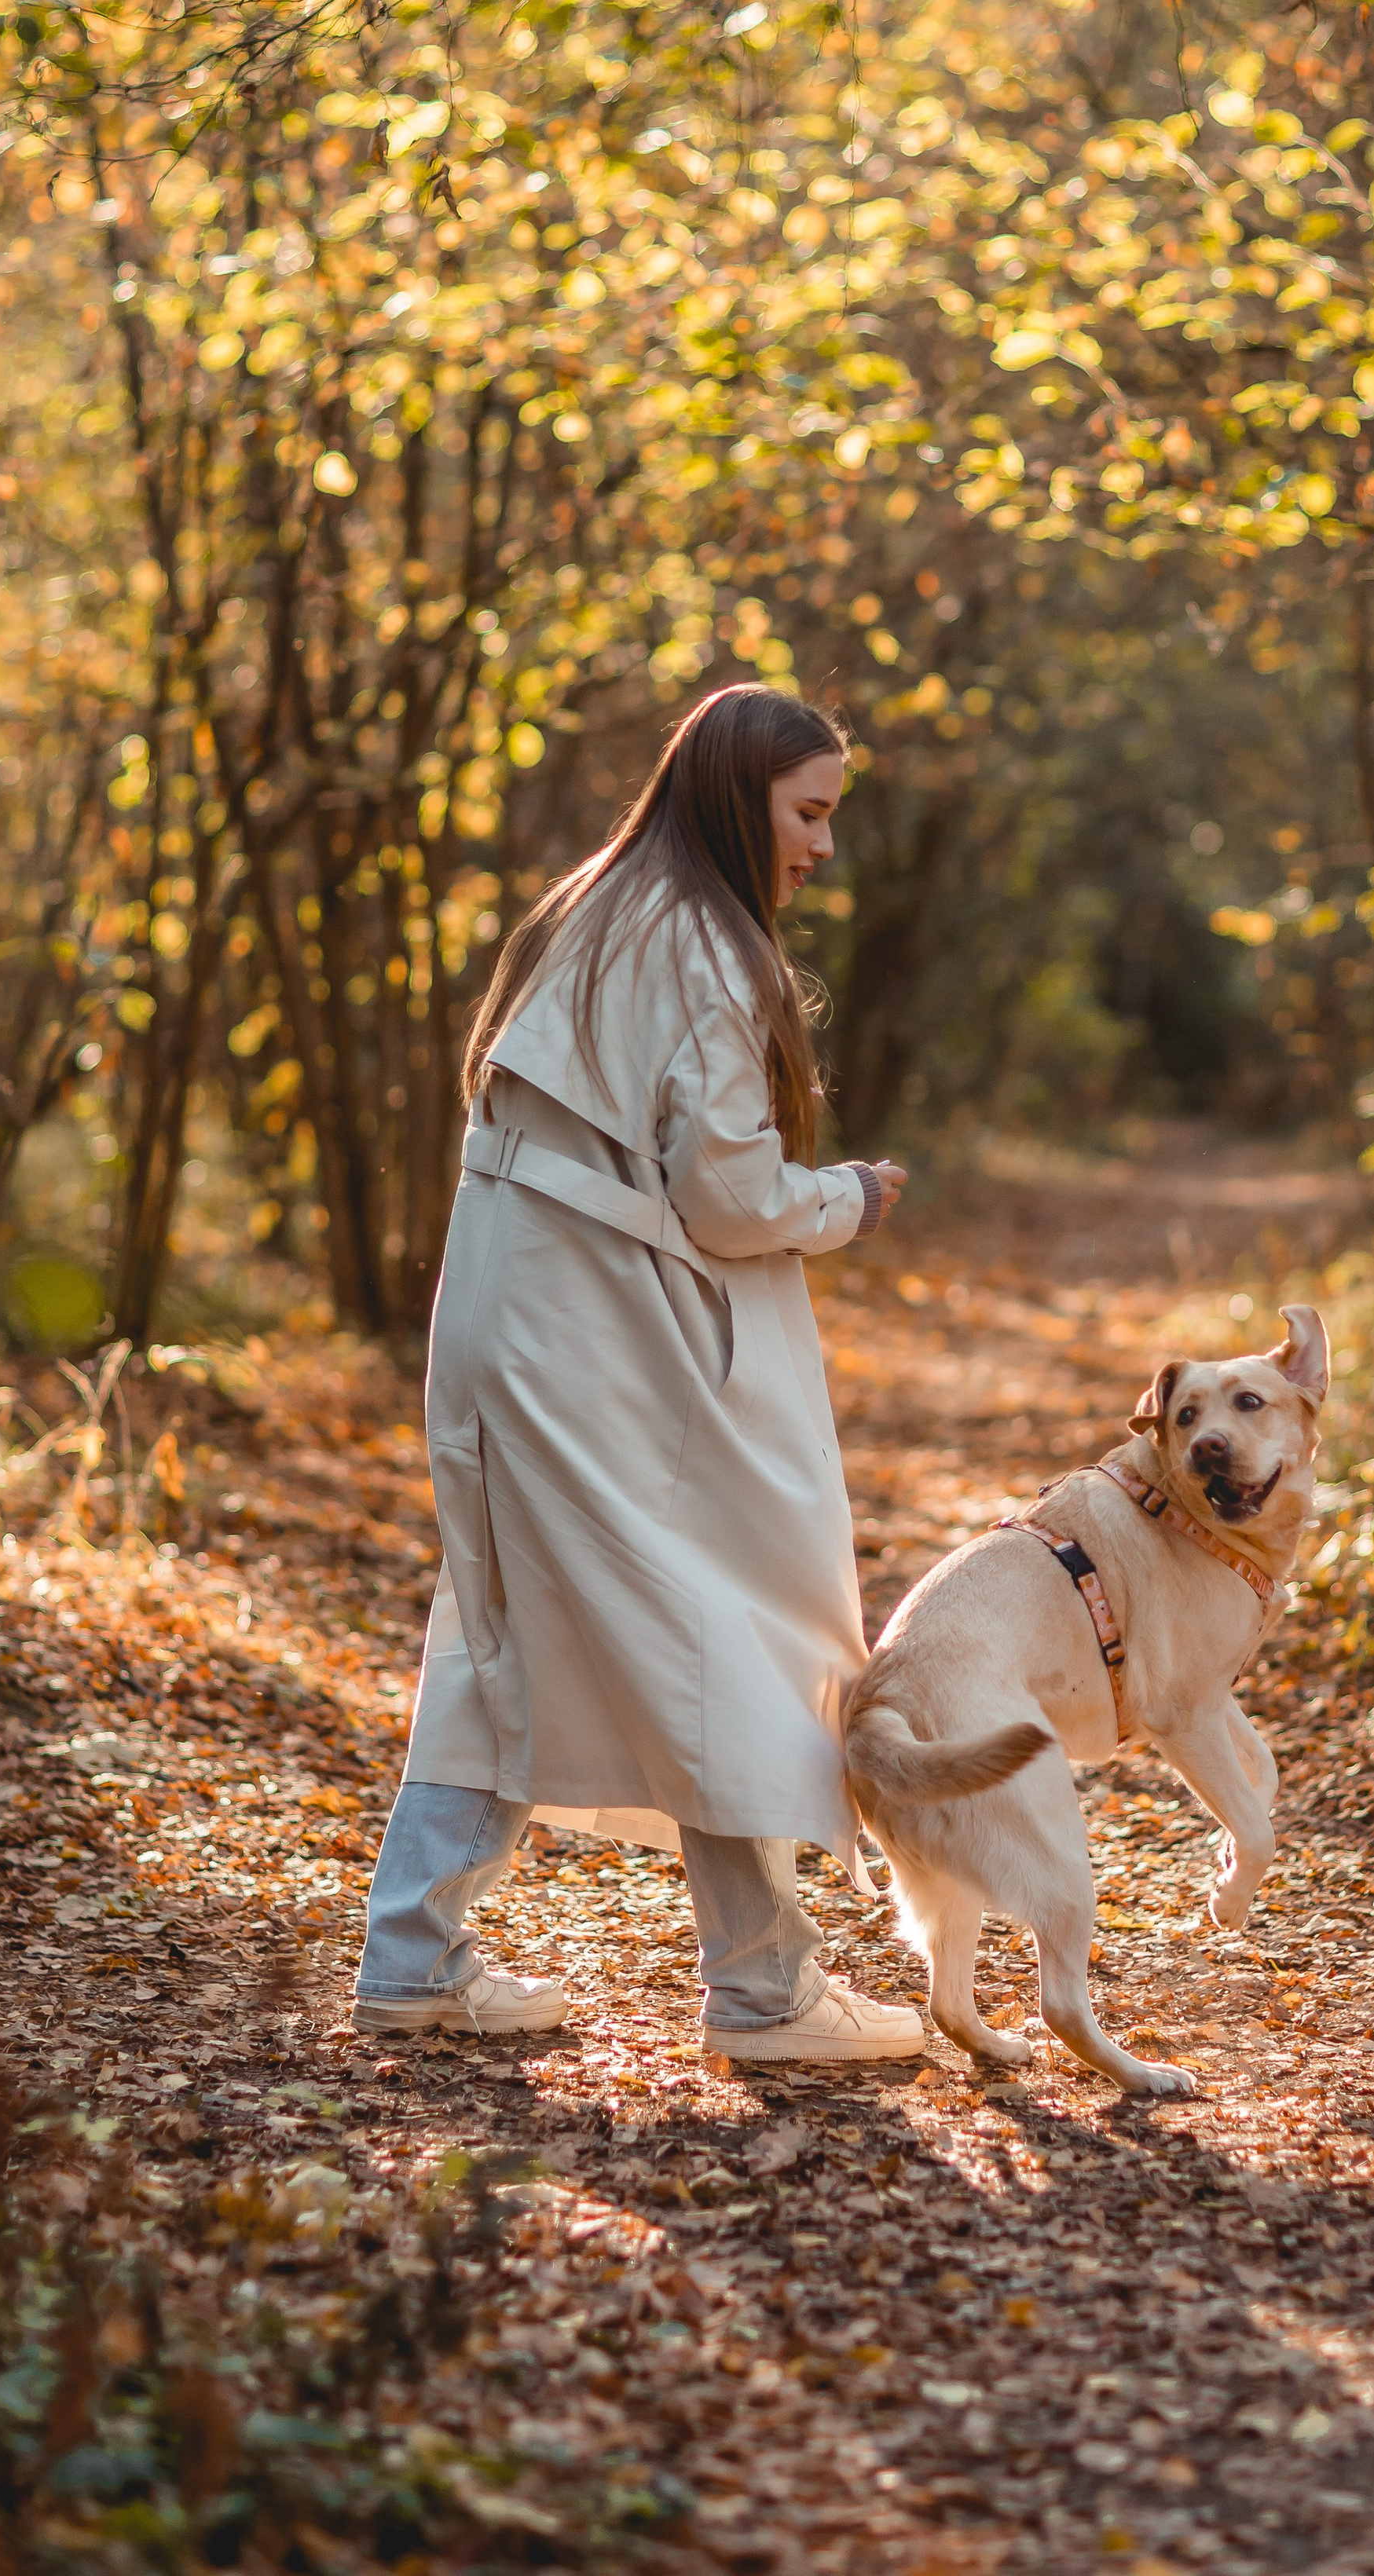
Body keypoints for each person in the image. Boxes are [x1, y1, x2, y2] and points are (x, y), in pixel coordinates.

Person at [351, 685, 925, 2062]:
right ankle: (768, 1992)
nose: (824, 849)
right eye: (810, 813)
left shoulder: (591, 908)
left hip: (507, 1302)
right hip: (580, 1329)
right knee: (710, 1614)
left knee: (502, 1627)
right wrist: (843, 1195)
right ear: (741, 798)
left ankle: (414, 1956)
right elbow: (726, 1196)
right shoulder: (709, 950)